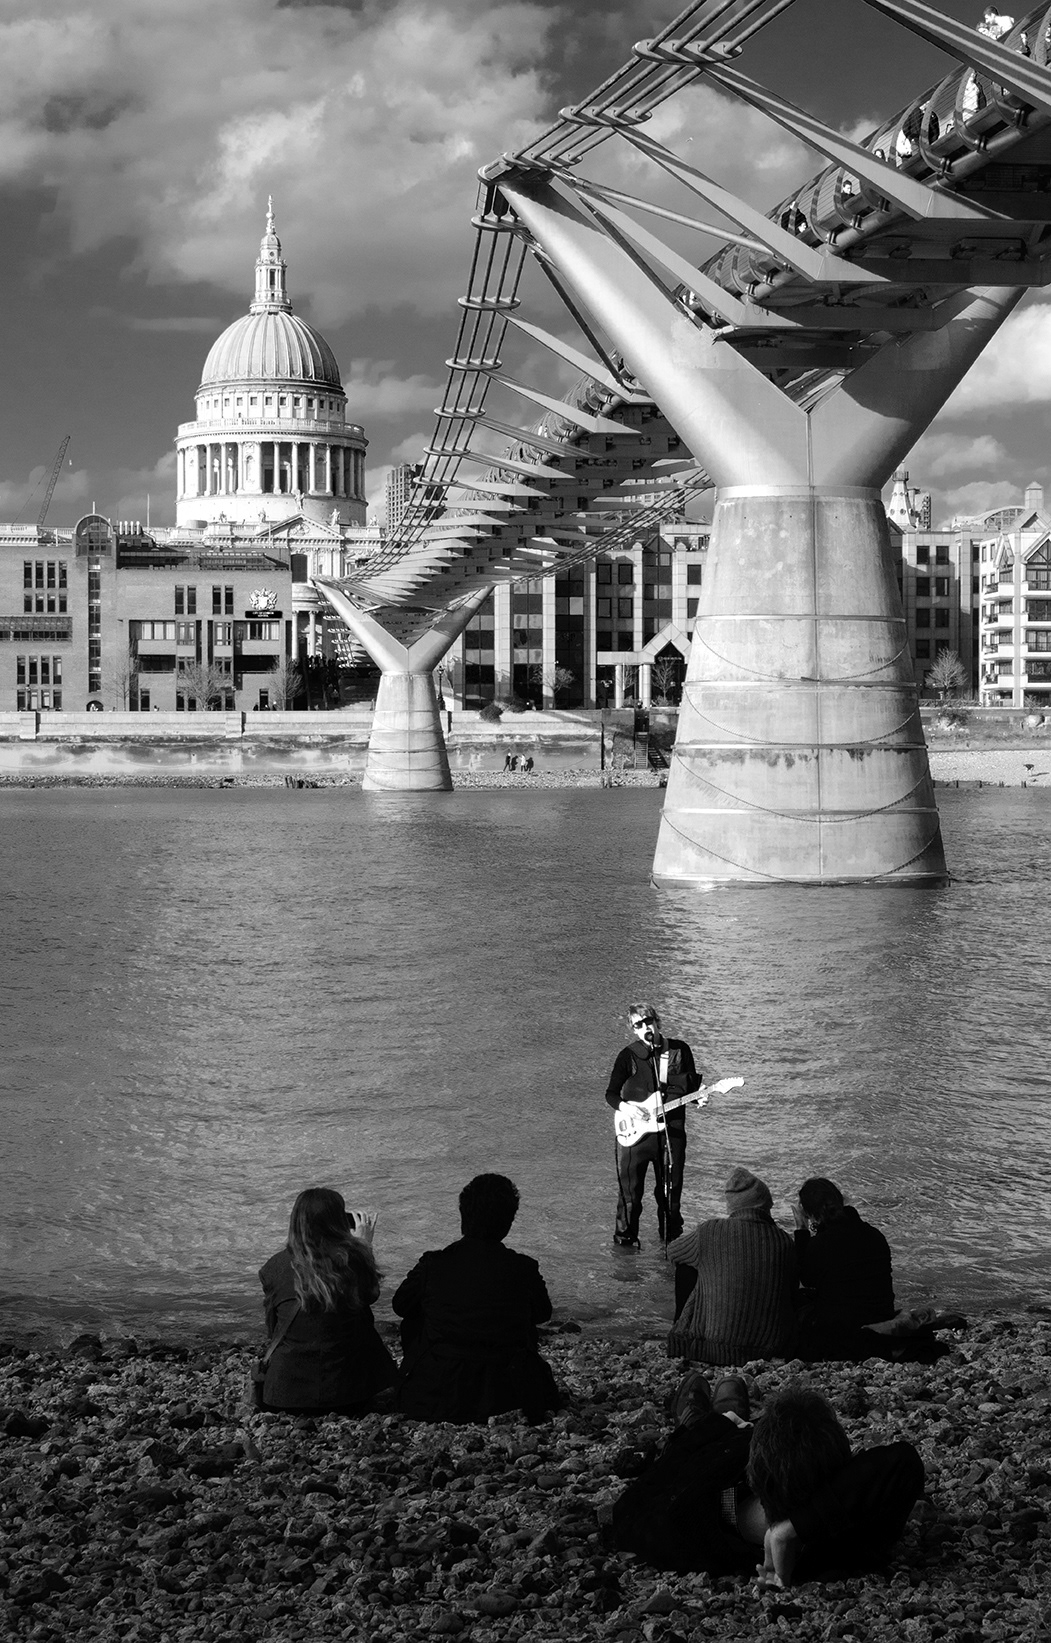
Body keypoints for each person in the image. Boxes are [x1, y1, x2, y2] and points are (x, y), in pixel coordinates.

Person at [610, 1382, 924, 1585]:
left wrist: (714, 1428)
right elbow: (902, 1461)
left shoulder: (679, 1527)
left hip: (714, 1455)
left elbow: (629, 1507)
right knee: (761, 1428)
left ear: (754, 1469)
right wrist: (793, 1528)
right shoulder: (859, 1535)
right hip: (742, 1452)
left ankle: (708, 1418)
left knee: (702, 1432)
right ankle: (729, 1418)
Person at [392, 1173, 560, 1423]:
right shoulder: (523, 1268)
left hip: (439, 1390)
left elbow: (399, 1305)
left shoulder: (434, 1264)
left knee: (418, 1309)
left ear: (463, 1216)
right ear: (508, 1222)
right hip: (509, 1390)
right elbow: (542, 1314)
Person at [257, 1187, 397, 1414]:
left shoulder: (273, 1266)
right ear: (337, 1222)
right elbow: (370, 1296)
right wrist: (364, 1246)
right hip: (348, 1393)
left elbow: (272, 1326)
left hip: (284, 1394)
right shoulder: (351, 1259)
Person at [793, 1178, 964, 1363]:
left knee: (800, 1302)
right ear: (841, 1201)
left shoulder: (819, 1245)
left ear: (811, 1214)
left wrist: (802, 1231)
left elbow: (807, 1279)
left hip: (845, 1327)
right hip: (881, 1316)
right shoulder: (875, 1235)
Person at [667, 1168, 797, 1363]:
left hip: (714, 1349)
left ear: (732, 1207)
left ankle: (685, 1330)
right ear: (765, 1206)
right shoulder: (784, 1240)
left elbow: (672, 1252)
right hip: (769, 1350)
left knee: (687, 1266)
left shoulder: (710, 1231)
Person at [605, 1002, 703, 1249]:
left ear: (657, 1022)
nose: (645, 1026)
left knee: (670, 1198)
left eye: (648, 1021)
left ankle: (671, 1249)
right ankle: (625, 1250)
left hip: (671, 1134)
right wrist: (627, 1108)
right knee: (630, 1198)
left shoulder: (680, 1051)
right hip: (635, 1138)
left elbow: (692, 1088)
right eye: (638, 1024)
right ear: (634, 1030)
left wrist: (701, 1095)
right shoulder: (628, 1056)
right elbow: (611, 1095)